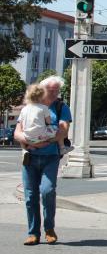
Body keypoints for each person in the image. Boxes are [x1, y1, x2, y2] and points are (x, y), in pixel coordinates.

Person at [14, 75, 72, 245]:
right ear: (41, 90)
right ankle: (33, 233)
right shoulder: (29, 107)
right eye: (51, 91)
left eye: (57, 91)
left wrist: (43, 142)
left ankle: (49, 228)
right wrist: (27, 141)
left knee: (47, 191)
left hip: (50, 157)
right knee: (30, 195)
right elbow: (17, 132)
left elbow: (63, 131)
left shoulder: (61, 107)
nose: (54, 94)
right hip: (29, 157)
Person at [17, 84, 72, 161]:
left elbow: (21, 125)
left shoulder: (24, 109)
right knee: (57, 128)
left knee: (21, 134)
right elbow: (48, 122)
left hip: (27, 137)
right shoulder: (44, 108)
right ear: (42, 96)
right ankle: (62, 147)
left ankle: (24, 149)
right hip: (41, 136)